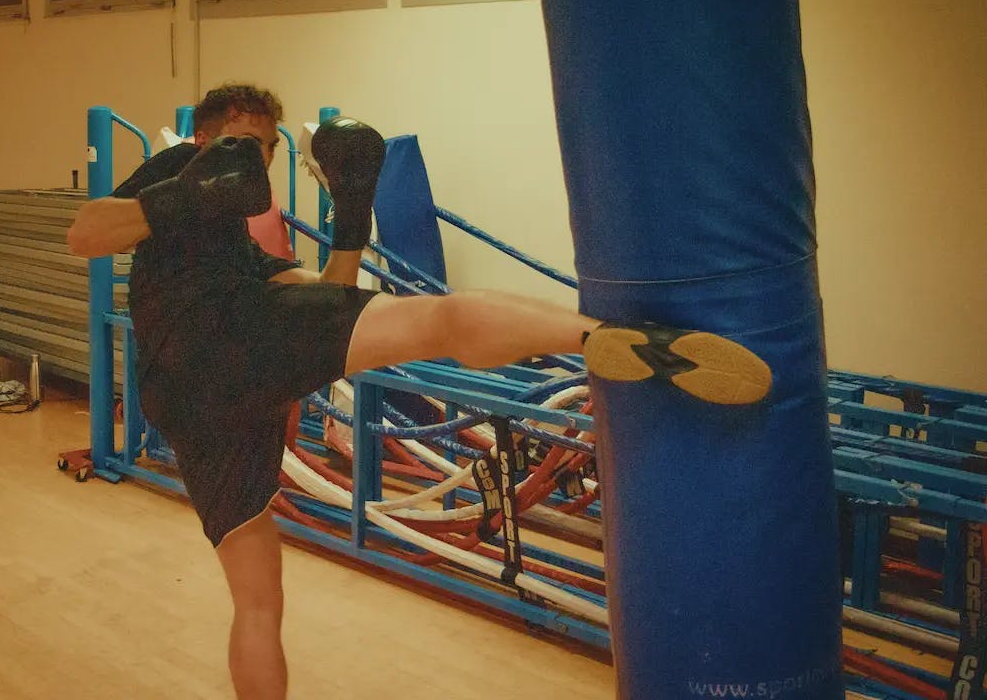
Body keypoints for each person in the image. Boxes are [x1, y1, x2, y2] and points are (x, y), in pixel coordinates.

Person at [67, 84, 772, 700]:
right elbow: (85, 232)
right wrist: (189, 189)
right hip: (208, 341)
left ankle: (616, 347)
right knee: (438, 319)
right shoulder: (172, 172)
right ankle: (598, 338)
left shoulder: (246, 254)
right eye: (240, 144)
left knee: (258, 600)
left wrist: (351, 214)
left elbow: (330, 300)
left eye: (265, 148)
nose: (255, 160)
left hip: (198, 400)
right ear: (202, 140)